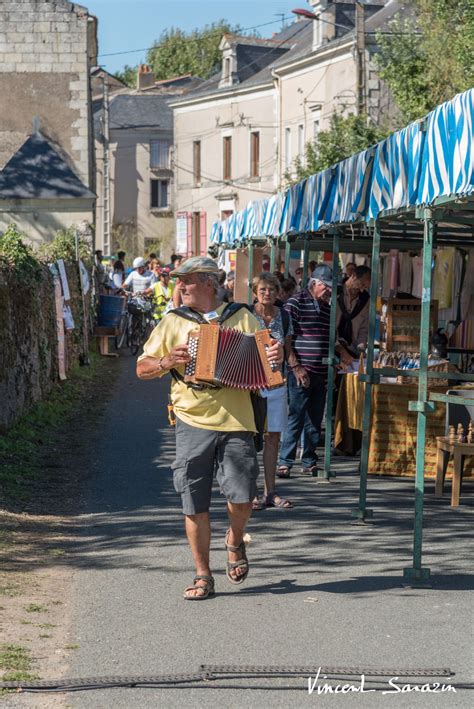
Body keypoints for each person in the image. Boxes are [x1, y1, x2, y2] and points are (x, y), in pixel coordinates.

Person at [136, 256, 283, 600]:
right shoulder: (173, 321)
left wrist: (275, 355)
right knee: (194, 500)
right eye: (178, 281)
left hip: (238, 420)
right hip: (191, 419)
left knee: (243, 496)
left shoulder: (242, 317)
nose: (180, 287)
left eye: (185, 280)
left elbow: (269, 364)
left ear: (208, 283)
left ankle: (234, 539)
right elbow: (142, 368)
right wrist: (165, 362)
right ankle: (203, 574)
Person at [277, 264, 352, 477]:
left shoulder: (328, 308)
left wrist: (342, 355)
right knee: (296, 416)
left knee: (314, 419)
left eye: (332, 288)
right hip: (301, 369)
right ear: (315, 283)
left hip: (320, 370)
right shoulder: (295, 303)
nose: (329, 291)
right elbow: (286, 339)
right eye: (327, 287)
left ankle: (309, 459)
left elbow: (332, 339)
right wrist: (295, 366)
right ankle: (285, 461)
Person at [250, 273, 293, 510]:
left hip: (276, 384)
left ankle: (270, 492)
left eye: (272, 290)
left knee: (273, 437)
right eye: (263, 289)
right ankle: (252, 491)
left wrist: (292, 367)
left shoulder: (284, 317)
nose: (267, 294)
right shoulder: (245, 315)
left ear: (279, 293)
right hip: (250, 384)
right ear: (255, 291)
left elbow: (288, 350)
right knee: (248, 437)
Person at [336, 265, 371, 357]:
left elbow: (364, 328)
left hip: (352, 350)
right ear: (353, 276)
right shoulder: (335, 293)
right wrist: (339, 348)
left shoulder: (365, 299)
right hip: (331, 348)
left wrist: (361, 348)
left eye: (365, 287)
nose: (362, 289)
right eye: (362, 284)